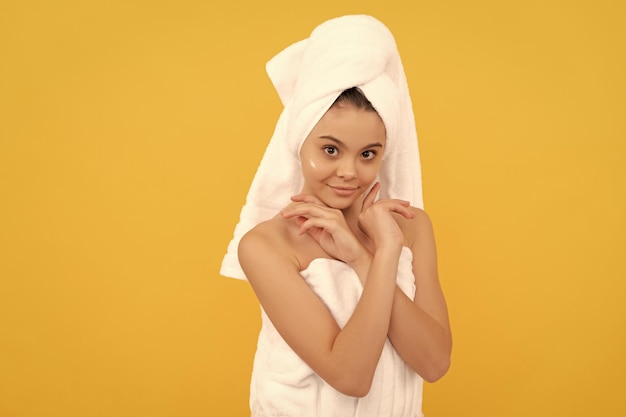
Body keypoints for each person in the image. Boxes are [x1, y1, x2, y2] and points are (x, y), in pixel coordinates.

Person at [221, 14, 451, 417]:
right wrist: (378, 260)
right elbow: (350, 375)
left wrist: (368, 257)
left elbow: (433, 364)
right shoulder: (266, 246)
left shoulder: (408, 229)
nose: (348, 171)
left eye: (368, 154)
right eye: (330, 149)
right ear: (299, 142)